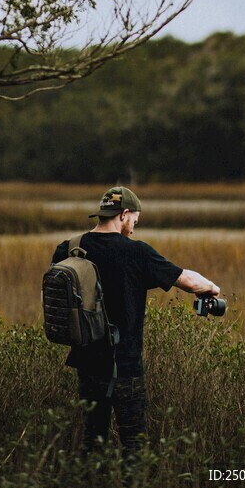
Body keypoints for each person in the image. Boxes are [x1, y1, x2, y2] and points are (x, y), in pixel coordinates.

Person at [51, 186, 220, 458]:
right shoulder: (136, 253)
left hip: (87, 364)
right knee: (134, 444)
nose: (133, 228)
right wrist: (212, 287)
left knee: (92, 441)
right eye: (134, 221)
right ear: (124, 214)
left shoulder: (69, 249)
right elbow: (184, 279)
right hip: (125, 366)